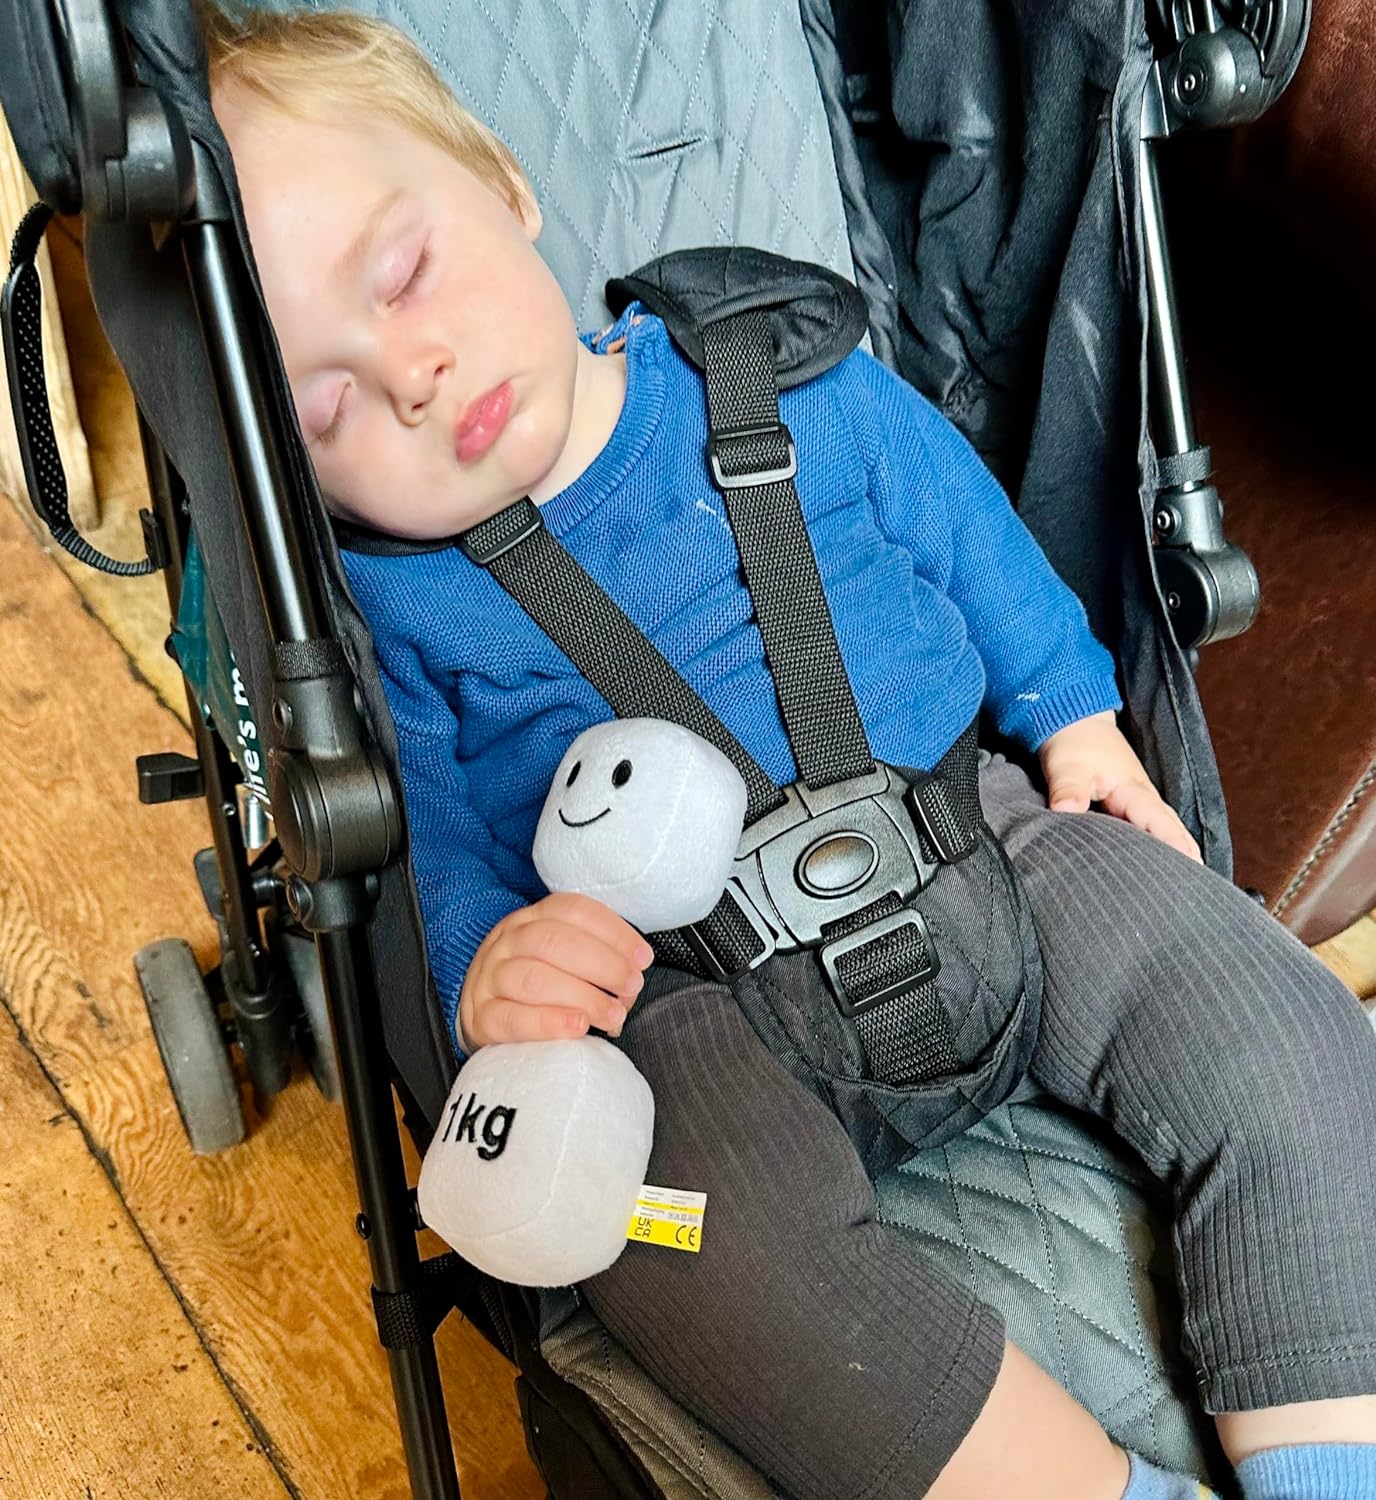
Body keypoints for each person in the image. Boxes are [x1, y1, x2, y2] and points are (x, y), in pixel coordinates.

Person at [203, 9, 1376, 1498]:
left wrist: (1083, 727)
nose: (413, 375)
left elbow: (974, 545)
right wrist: (488, 970)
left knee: (1276, 1029)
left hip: (984, 839)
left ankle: (1332, 1466)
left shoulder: (789, 375)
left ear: (503, 182)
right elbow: (425, 836)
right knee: (666, 1241)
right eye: (326, 405)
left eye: (406, 272)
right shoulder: (390, 611)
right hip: (684, 1010)